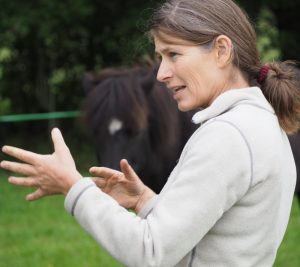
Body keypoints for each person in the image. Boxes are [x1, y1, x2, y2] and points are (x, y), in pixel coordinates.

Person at [1, 0, 299, 266]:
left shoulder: (228, 135)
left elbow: (151, 251)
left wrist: (73, 186)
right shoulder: (261, 121)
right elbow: (212, 238)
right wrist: (144, 200)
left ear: (221, 50)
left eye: (173, 54)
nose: (161, 74)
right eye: (160, 57)